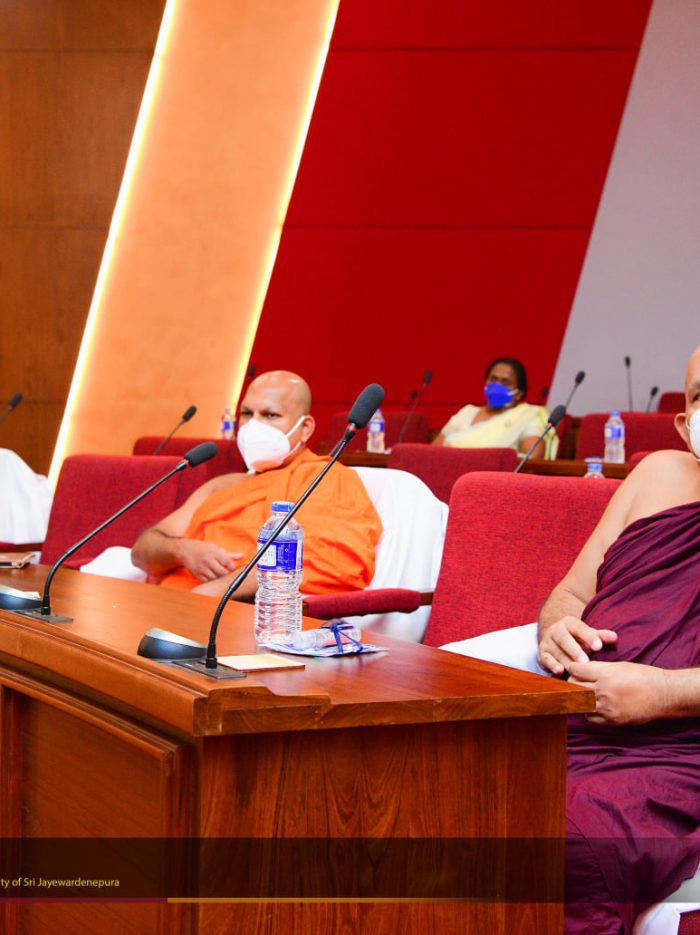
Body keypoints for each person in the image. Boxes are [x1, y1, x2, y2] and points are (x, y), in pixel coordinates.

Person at [535, 345, 700, 933]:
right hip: (571, 720)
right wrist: (556, 629)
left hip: (678, 750)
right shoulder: (658, 473)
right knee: (434, 795)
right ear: (684, 422)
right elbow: (569, 593)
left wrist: (664, 693)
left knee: (560, 840)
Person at [131, 371, 383, 600]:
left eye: (270, 415)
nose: (254, 426)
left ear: (305, 428)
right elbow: (142, 551)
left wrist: (208, 595)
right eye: (247, 414)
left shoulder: (325, 478)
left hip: (231, 614)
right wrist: (182, 550)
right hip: (167, 604)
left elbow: (330, 563)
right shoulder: (220, 486)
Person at [431, 356, 556, 459]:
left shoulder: (527, 415)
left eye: (505, 382)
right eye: (493, 379)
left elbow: (531, 460)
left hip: (491, 478)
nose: (497, 385)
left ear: (519, 393)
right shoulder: (466, 412)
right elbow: (432, 452)